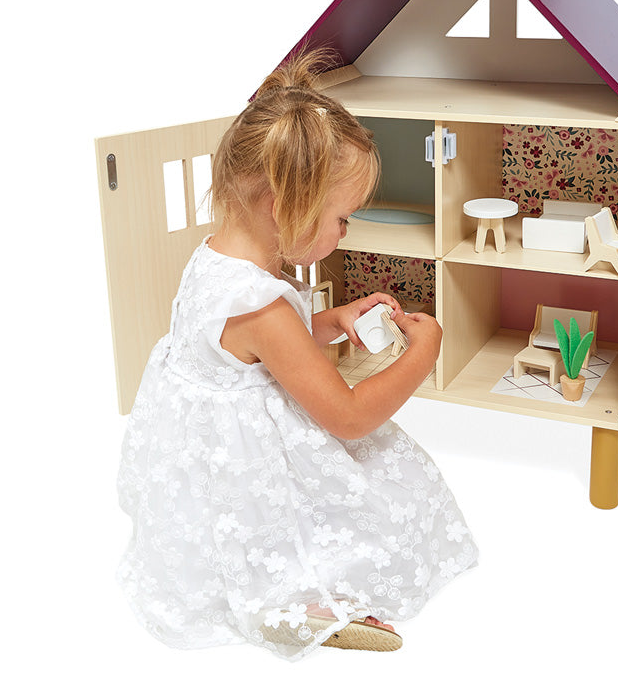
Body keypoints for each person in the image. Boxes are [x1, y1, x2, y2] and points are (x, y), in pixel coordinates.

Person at [117, 49, 478, 661]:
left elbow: (252, 352)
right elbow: (350, 416)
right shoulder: (262, 308)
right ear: (285, 206)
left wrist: (332, 321)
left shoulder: (216, 258)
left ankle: (267, 589)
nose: (345, 233)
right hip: (250, 459)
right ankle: (297, 603)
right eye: (342, 218)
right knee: (381, 490)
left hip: (204, 459)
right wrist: (424, 354)